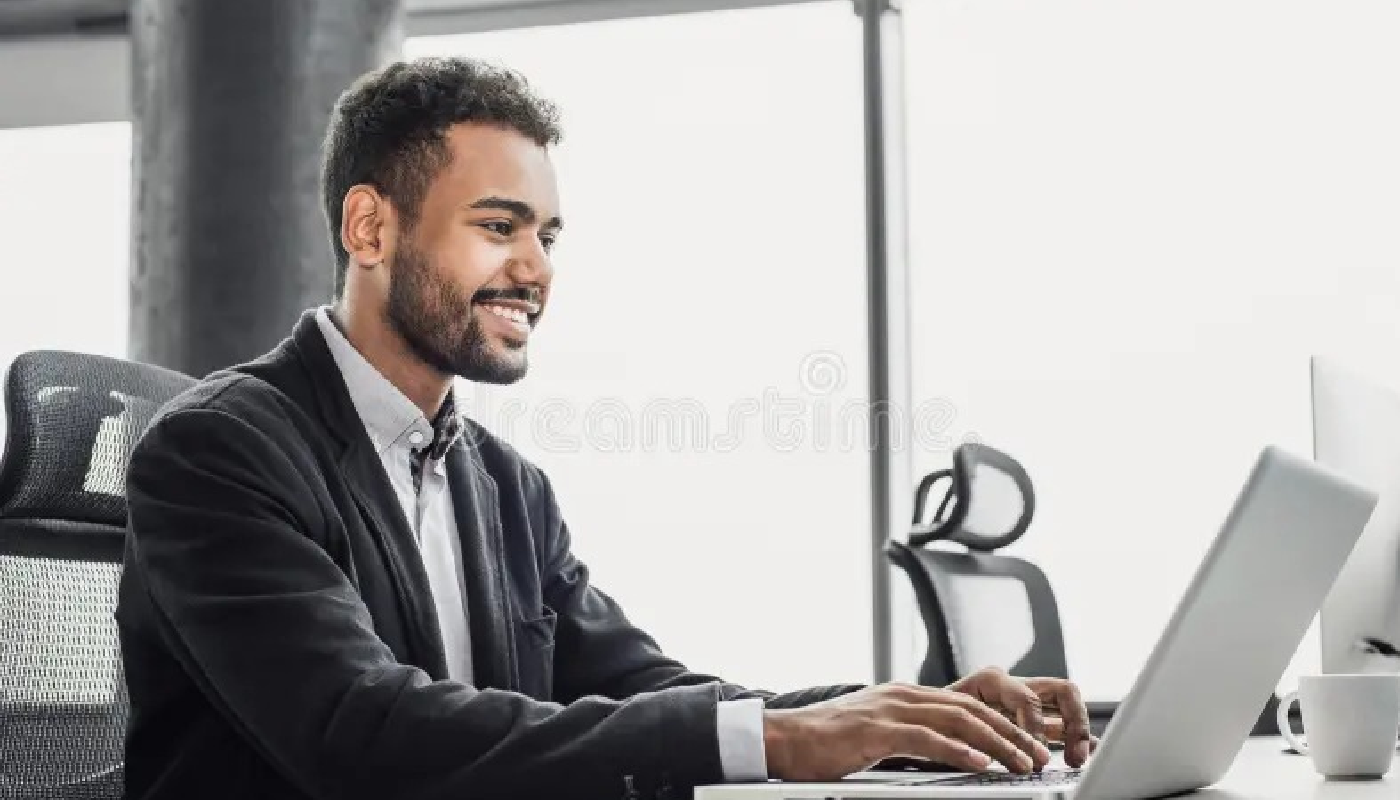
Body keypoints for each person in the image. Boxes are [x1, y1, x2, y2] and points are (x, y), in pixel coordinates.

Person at [115, 56, 1096, 800]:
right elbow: (359, 730)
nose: (536, 268)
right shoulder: (219, 452)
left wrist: (894, 715)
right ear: (370, 229)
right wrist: (783, 739)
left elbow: (641, 687)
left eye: (546, 235)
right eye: (498, 226)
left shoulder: (504, 486)